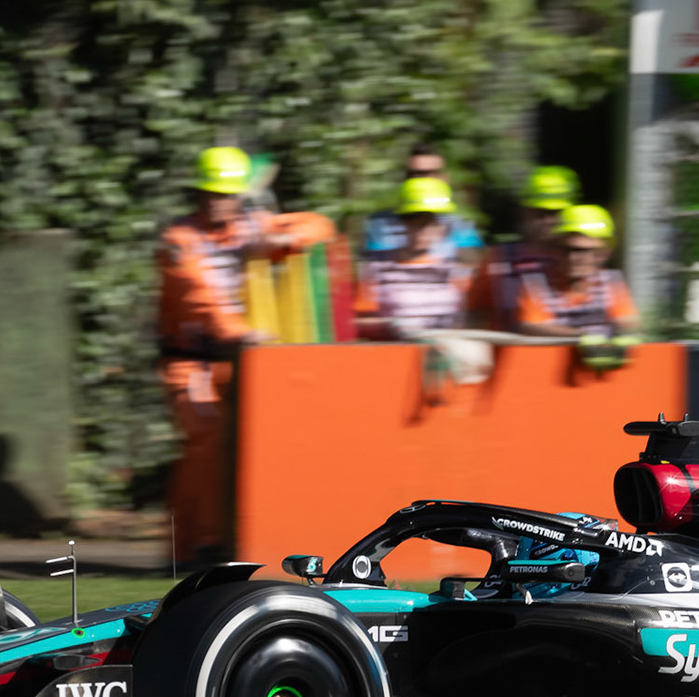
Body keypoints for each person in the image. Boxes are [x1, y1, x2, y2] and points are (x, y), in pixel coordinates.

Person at [158, 146, 331, 562]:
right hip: (193, 361)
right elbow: (201, 300)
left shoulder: (249, 227)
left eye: (227, 194)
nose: (218, 203)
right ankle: (191, 547)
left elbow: (322, 227)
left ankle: (218, 545)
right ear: (198, 194)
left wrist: (283, 237)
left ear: (238, 197)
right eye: (211, 193)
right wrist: (243, 332)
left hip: (244, 361)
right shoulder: (178, 242)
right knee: (207, 441)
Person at [354, 177, 472, 339]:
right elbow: (359, 323)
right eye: (415, 220)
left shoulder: (456, 271)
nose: (424, 229)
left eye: (431, 222)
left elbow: (472, 319)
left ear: (442, 226)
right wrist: (389, 325)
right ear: (402, 222)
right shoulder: (377, 268)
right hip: (395, 356)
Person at [468, 164, 582, 331]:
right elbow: (474, 315)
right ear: (523, 212)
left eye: (557, 213)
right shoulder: (497, 259)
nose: (548, 221)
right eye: (540, 212)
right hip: (510, 355)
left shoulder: (582, 258)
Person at [512, 204, 639, 340]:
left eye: (584, 251)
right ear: (555, 250)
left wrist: (625, 335)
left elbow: (629, 323)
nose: (573, 258)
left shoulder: (612, 282)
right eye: (567, 250)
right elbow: (531, 326)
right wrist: (582, 337)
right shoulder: (535, 284)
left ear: (604, 253)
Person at [361, 145, 483, 263]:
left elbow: (472, 269)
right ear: (405, 179)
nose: (424, 180)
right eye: (416, 174)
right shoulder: (380, 224)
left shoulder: (461, 225)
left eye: (431, 173)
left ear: (445, 178)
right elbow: (371, 271)